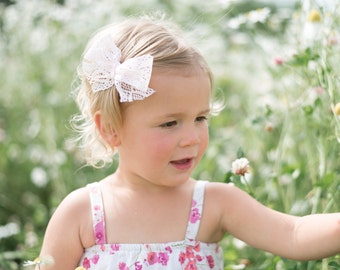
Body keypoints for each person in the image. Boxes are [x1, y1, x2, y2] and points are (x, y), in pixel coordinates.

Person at [36, 16, 340, 270]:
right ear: (111, 128)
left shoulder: (215, 204)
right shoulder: (82, 213)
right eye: (170, 123)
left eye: (201, 118)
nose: (192, 137)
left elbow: (295, 233)